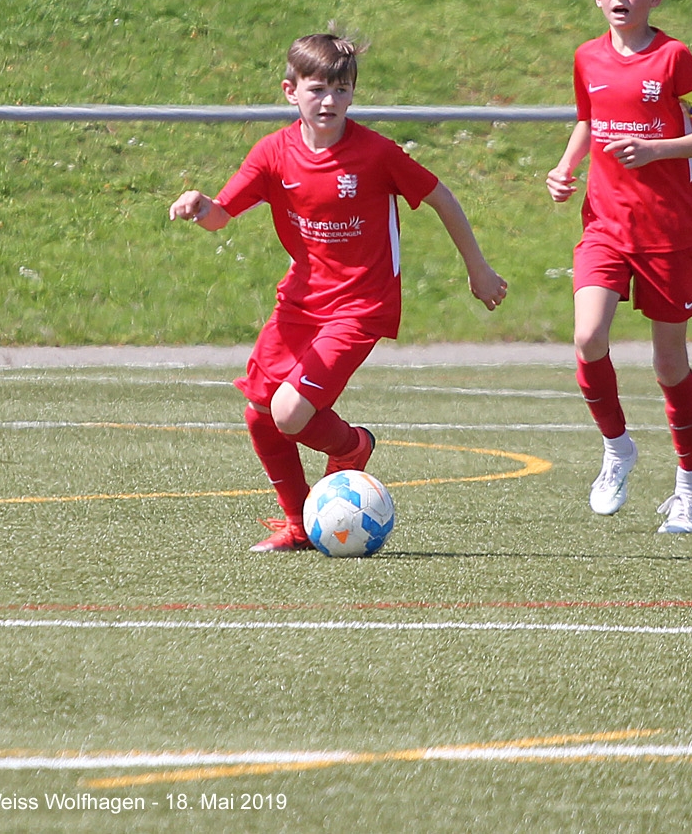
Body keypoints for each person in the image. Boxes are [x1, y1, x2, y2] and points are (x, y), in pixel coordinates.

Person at [169, 33, 508, 552]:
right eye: (317, 89)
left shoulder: (375, 153)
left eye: (341, 89)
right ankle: (298, 525)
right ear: (291, 91)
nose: (329, 100)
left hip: (360, 306)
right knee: (259, 411)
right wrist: (199, 205)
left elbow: (441, 196)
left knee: (288, 413)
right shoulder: (273, 153)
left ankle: (352, 447)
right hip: (300, 303)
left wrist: (478, 269)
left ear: (352, 93)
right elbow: (221, 216)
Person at [545, 0, 692, 534]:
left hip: (667, 229)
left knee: (669, 364)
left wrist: (655, 149)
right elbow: (589, 120)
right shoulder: (587, 58)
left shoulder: (675, 59)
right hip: (604, 223)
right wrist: (566, 168)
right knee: (588, 335)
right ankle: (617, 449)